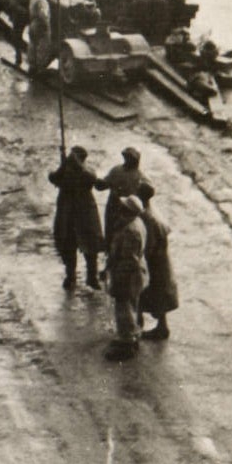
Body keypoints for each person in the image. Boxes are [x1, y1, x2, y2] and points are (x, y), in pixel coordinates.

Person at [48, 146, 104, 291]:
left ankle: (92, 277)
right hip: (68, 215)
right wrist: (63, 165)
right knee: (68, 246)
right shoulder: (65, 172)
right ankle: (70, 275)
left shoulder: (87, 171)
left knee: (91, 247)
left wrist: (75, 165)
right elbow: (53, 178)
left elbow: (92, 179)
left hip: (85, 215)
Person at [105, 196, 148, 361]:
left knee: (124, 308)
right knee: (131, 305)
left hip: (127, 274)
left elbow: (128, 258)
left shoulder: (130, 231)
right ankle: (132, 337)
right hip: (134, 273)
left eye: (123, 207)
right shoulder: (136, 224)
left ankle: (127, 342)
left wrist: (116, 276)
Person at [94, 147, 155, 248]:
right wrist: (98, 182)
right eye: (126, 157)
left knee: (128, 236)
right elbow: (104, 184)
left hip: (130, 210)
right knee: (111, 234)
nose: (128, 160)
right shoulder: (117, 170)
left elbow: (148, 193)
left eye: (130, 158)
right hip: (113, 207)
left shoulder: (141, 177)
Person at [138, 201, 179, 340]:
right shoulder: (154, 212)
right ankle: (162, 326)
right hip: (162, 260)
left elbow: (148, 245)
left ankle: (138, 328)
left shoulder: (146, 217)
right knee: (159, 295)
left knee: (142, 293)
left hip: (154, 262)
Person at [27, 0, 53, 76]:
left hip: (33, 23)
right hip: (41, 25)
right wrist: (47, 26)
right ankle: (40, 70)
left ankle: (32, 67)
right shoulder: (42, 0)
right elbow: (43, 15)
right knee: (43, 47)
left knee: (32, 45)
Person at [9, 0, 34, 67]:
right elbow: (13, 3)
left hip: (28, 15)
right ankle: (18, 56)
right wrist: (24, 11)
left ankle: (30, 56)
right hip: (19, 15)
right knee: (17, 36)